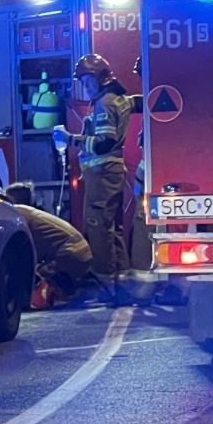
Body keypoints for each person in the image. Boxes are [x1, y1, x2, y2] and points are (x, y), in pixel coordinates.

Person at [54, 53, 131, 279]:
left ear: (102, 78)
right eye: (83, 83)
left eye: (89, 82)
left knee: (97, 226)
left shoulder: (104, 103)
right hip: (110, 174)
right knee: (111, 227)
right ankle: (121, 278)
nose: (86, 88)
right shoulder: (114, 99)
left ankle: (104, 279)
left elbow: (103, 143)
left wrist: (70, 139)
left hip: (103, 174)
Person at [2, 181, 93, 305]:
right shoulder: (30, 211)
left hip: (71, 254)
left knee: (35, 273)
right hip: (79, 252)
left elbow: (25, 253)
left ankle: (69, 291)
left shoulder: (19, 214)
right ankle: (69, 288)